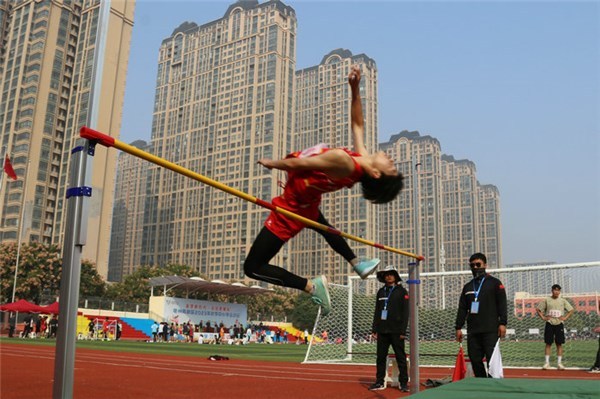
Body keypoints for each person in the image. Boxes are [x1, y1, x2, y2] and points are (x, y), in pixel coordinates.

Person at [244, 65, 404, 316]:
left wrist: (272, 163)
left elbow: (300, 163)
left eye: (391, 168)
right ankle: (356, 263)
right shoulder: (359, 162)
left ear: (376, 174)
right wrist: (354, 89)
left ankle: (310, 286)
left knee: (253, 267)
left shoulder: (344, 161)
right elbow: (358, 124)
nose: (392, 162)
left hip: (291, 208)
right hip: (307, 203)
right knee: (321, 224)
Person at [455, 253, 507, 378]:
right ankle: (481, 382)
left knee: (492, 361)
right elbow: (462, 308)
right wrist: (458, 327)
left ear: (485, 265)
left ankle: (494, 387)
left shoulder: (495, 283)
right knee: (475, 360)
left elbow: (502, 304)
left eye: (478, 264)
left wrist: (503, 323)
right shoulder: (467, 287)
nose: (475, 267)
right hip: (473, 331)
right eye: (472, 265)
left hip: (490, 330)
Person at [368, 266, 409, 392]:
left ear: (395, 276)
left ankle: (403, 383)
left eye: (391, 274)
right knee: (380, 357)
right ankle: (379, 382)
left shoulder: (402, 292)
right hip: (382, 331)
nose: (388, 276)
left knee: (400, 357)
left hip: (397, 331)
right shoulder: (381, 292)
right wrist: (374, 329)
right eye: (386, 274)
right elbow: (377, 311)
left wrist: (403, 331)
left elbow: (406, 312)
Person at [536, 284, 574, 370]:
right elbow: (538, 309)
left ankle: (559, 363)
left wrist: (565, 318)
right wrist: (543, 317)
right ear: (552, 290)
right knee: (548, 343)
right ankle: (546, 363)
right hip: (549, 323)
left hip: (559, 323)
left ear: (560, 291)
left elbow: (571, 310)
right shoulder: (547, 300)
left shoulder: (563, 301)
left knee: (559, 343)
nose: (556, 292)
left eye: (558, 290)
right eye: (555, 290)